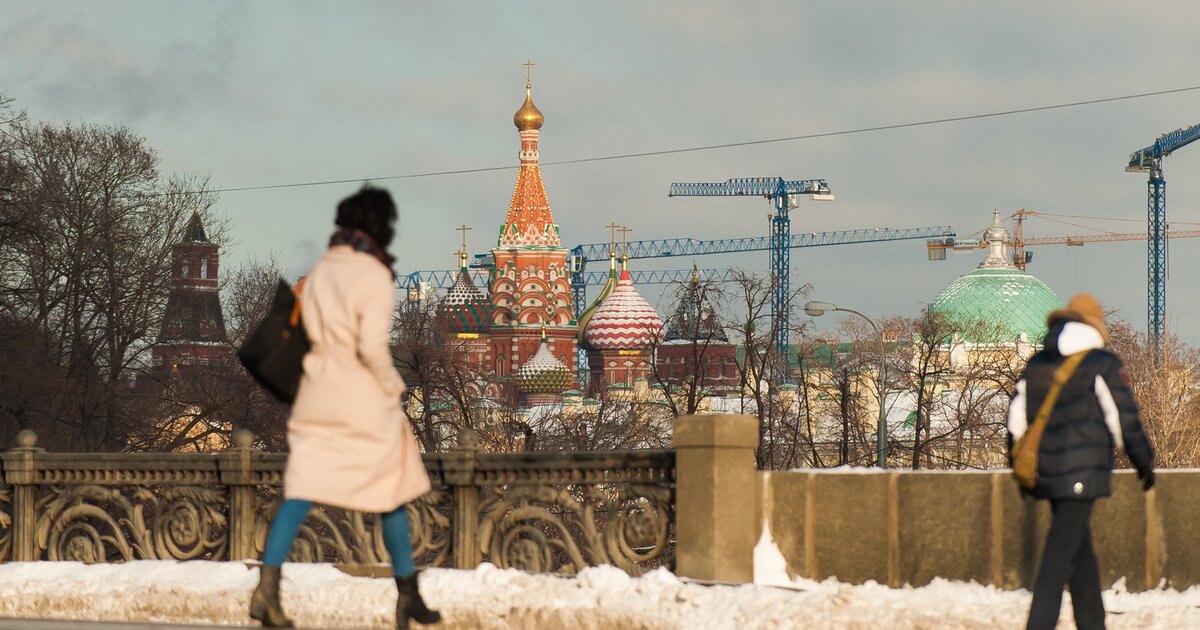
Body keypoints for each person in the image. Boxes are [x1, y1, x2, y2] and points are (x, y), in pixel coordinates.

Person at [250, 186, 440, 629]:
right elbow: (372, 349)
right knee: (392, 489)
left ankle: (267, 589)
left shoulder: (319, 272)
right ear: (380, 227)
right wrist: (395, 387)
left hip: (315, 395)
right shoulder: (372, 275)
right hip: (358, 400)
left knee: (299, 492)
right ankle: (407, 593)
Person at [1007, 293, 1154, 630]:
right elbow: (1123, 419)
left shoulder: (1038, 364)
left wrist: (1020, 470)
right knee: (1057, 557)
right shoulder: (1101, 363)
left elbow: (1016, 421)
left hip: (1047, 471)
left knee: (1080, 551)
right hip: (1085, 470)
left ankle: (1092, 623)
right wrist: (1143, 462)